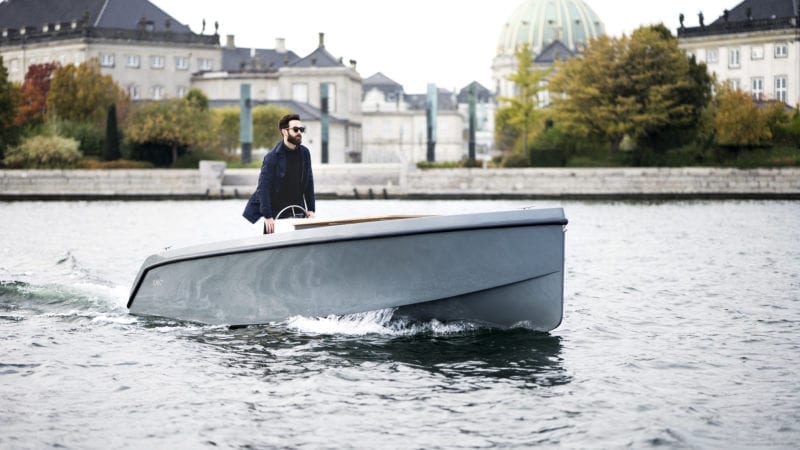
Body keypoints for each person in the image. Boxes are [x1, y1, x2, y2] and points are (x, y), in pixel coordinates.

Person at [243, 113, 315, 233]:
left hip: (297, 209)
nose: (299, 133)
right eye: (295, 129)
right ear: (284, 132)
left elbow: (309, 182)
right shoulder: (272, 157)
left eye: (301, 129)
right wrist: (267, 216)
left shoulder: (305, 153)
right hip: (275, 212)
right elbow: (263, 188)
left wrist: (311, 209)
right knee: (272, 248)